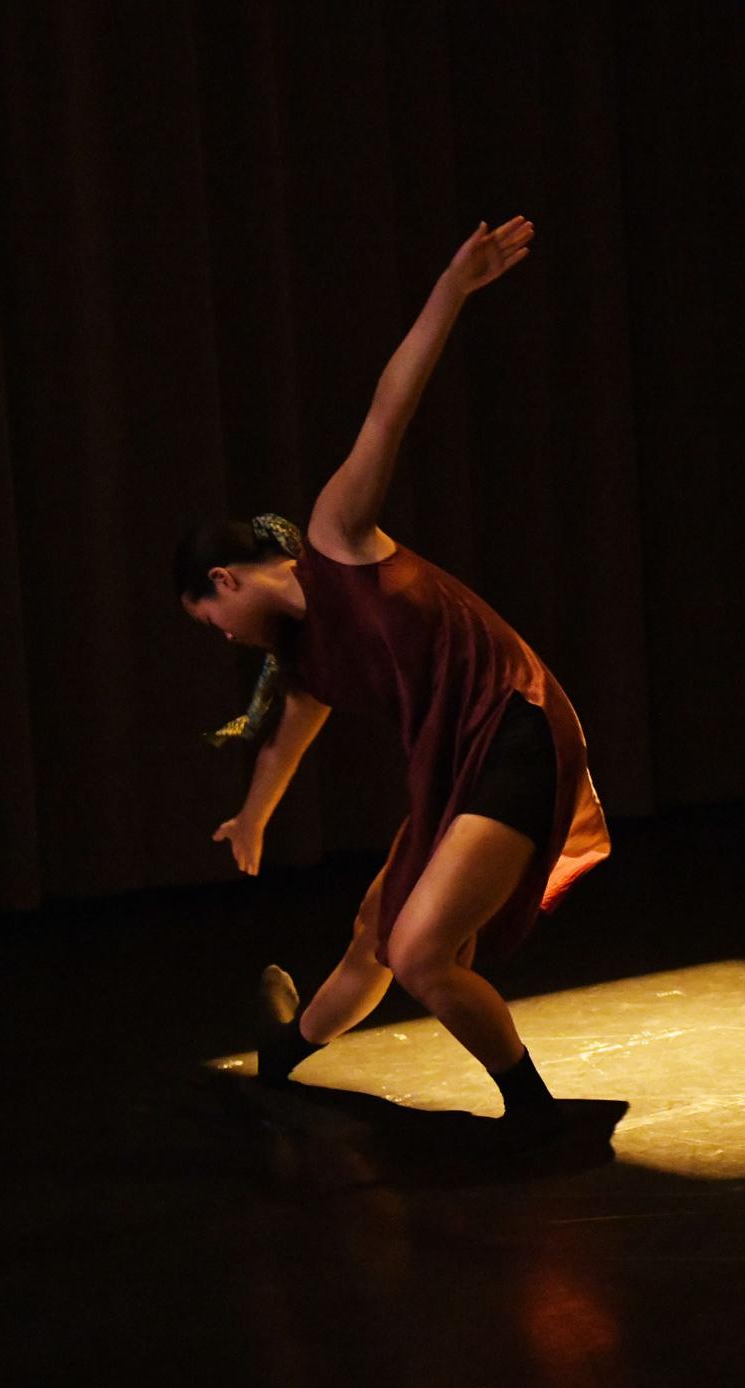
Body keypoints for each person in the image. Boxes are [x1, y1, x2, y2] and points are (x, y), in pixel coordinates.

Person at [175, 216, 610, 1137]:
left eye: (209, 618)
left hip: (516, 723)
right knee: (377, 934)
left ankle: (538, 1113)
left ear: (224, 580)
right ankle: (283, 1055)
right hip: (458, 759)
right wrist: (253, 816)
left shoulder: (335, 537)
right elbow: (286, 745)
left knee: (418, 951)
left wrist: (451, 289)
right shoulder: (301, 661)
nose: (220, 638)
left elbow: (388, 408)